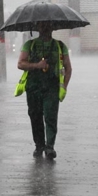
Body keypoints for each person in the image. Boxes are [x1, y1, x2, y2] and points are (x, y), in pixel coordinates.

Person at [17, 22, 72, 160]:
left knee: (50, 116)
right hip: (33, 86)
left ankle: (50, 147)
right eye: (42, 26)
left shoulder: (60, 46)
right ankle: (39, 145)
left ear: (52, 29)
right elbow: (20, 64)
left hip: (52, 86)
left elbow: (68, 68)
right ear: (37, 29)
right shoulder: (30, 45)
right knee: (35, 116)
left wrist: (64, 85)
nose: (45, 29)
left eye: (48, 27)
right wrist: (37, 65)